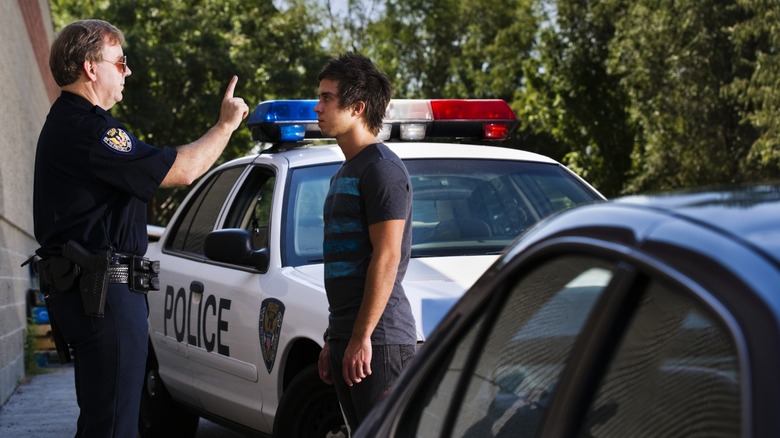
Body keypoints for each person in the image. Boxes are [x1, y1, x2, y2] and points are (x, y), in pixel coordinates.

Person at [32, 19, 248, 437]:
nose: (127, 71)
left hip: (93, 290)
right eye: (120, 61)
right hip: (103, 293)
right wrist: (225, 126)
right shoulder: (92, 131)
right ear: (90, 68)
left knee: (104, 420)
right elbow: (182, 170)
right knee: (114, 426)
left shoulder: (70, 124)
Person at [315, 53, 417, 434]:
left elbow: (387, 258)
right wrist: (335, 338)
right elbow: (348, 266)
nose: (318, 106)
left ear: (357, 108)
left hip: (382, 342)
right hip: (350, 336)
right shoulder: (346, 171)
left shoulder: (382, 170)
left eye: (327, 98)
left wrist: (361, 338)